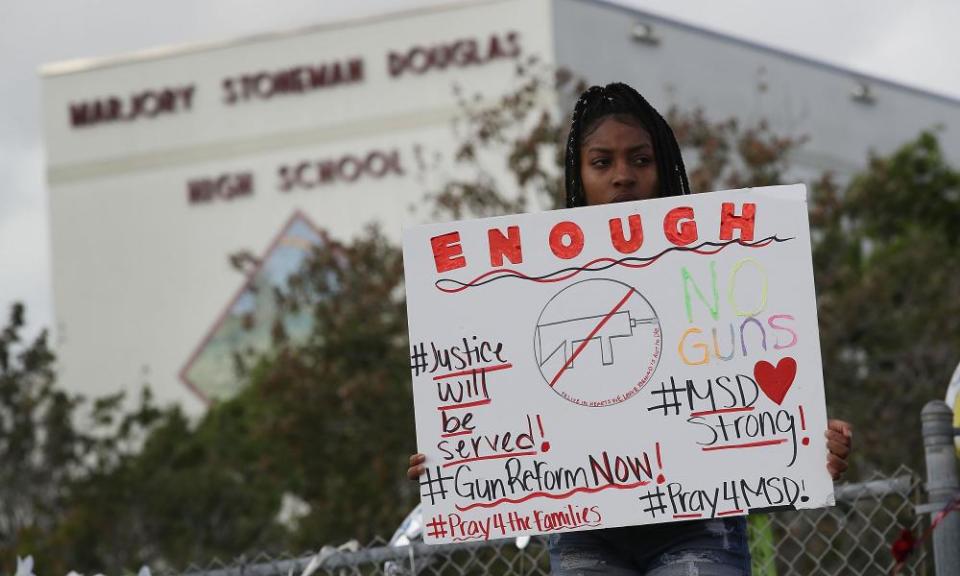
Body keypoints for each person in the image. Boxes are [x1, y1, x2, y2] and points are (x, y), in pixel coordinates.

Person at [407, 82, 854, 575]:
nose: (623, 177)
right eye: (602, 163)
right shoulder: (525, 285)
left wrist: (811, 448)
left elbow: (760, 398)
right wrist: (453, 458)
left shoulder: (721, 260)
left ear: (663, 166)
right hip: (584, 534)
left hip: (699, 524)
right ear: (579, 175)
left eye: (640, 160)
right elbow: (500, 396)